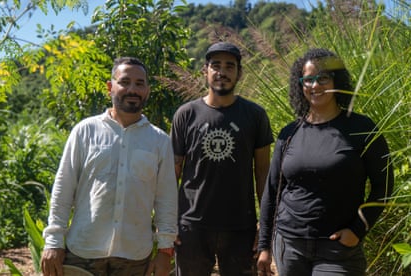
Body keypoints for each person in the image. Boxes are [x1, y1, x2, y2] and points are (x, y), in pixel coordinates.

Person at [257, 48, 394, 276]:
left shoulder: (361, 128)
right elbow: (272, 193)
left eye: (323, 78)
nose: (315, 85)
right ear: (300, 85)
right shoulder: (289, 133)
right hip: (290, 245)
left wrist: (359, 229)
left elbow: (385, 186)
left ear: (336, 80)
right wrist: (264, 247)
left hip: (338, 250)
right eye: (308, 79)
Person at [41, 57, 178, 276]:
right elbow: (63, 188)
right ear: (110, 86)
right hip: (83, 251)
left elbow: (166, 200)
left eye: (139, 84)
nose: (132, 89)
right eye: (124, 82)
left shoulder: (159, 141)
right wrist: (53, 242)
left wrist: (165, 251)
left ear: (147, 91)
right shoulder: (85, 131)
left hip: (133, 258)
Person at [170, 42, 274, 276]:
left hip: (240, 227)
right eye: (215, 65)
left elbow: (263, 174)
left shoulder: (255, 115)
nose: (222, 72)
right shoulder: (186, 114)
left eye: (230, 66)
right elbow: (172, 172)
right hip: (191, 226)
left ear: (239, 73)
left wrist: (265, 227)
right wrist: (169, 221)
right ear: (205, 71)